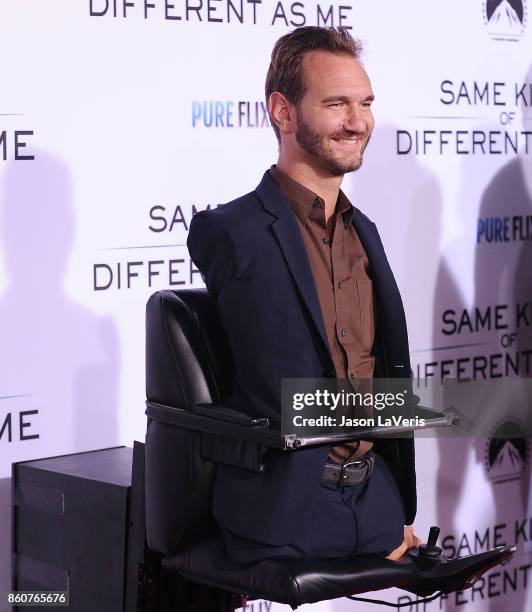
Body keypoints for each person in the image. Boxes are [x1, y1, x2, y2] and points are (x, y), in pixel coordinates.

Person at [187, 26, 420, 564]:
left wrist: (396, 508)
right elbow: (269, 385)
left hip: (377, 502)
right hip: (282, 515)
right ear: (284, 112)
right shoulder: (231, 231)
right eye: (336, 104)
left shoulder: (367, 233)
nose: (358, 122)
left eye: (365, 104)